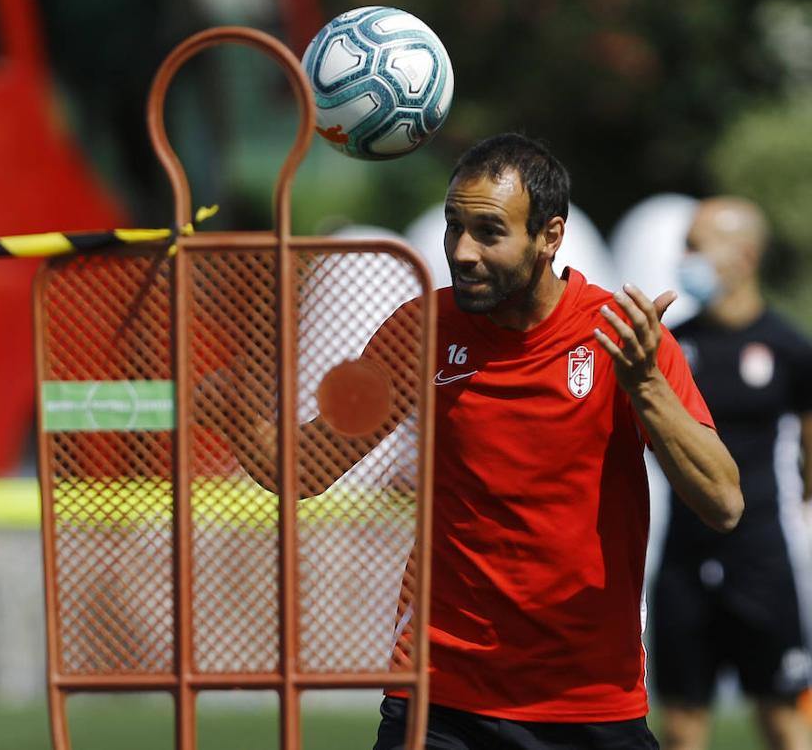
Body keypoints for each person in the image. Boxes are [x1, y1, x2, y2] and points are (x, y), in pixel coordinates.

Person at [209, 132, 743, 749]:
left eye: (489, 231)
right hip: (440, 697)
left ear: (551, 236)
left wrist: (645, 386)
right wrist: (231, 410)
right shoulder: (421, 329)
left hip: (586, 703)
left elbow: (723, 502)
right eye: (453, 227)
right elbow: (305, 469)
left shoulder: (623, 337)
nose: (461, 251)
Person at [651, 197, 812, 750]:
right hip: (683, 557)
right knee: (680, 726)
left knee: (784, 720)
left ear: (744, 254)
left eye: (697, 245)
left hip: (761, 558)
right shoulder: (673, 345)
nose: (685, 256)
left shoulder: (790, 347)